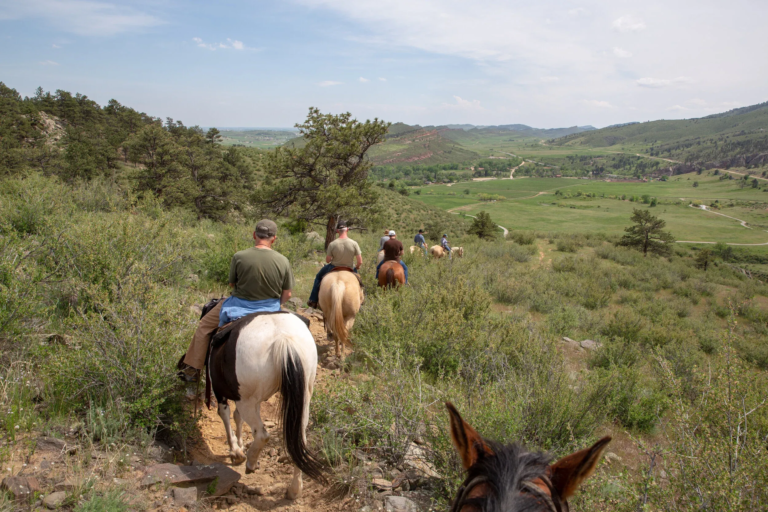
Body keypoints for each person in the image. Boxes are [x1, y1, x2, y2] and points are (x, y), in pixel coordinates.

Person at [178, 219, 294, 382]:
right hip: (270, 308)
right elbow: (287, 295)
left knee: (204, 326)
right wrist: (273, 303)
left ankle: (193, 369)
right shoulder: (283, 260)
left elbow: (232, 283)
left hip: (239, 305)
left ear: (254, 235)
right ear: (273, 238)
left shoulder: (239, 256)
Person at [306, 221, 363, 309]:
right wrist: (357, 267)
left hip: (333, 267)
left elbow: (328, 260)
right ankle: (361, 302)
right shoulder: (354, 243)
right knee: (360, 283)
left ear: (337, 231)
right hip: (350, 268)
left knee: (318, 277)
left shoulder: (332, 244)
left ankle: (313, 300)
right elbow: (360, 261)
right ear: (347, 230)